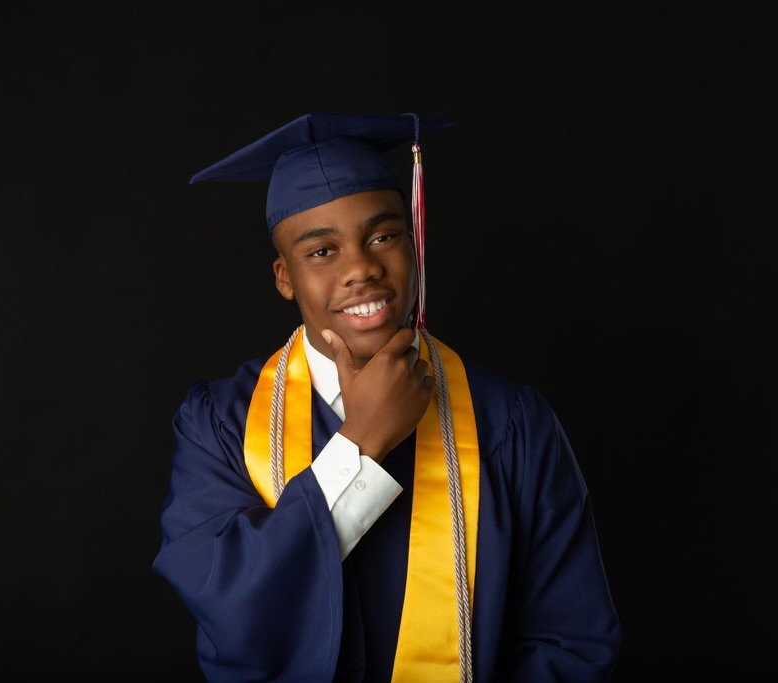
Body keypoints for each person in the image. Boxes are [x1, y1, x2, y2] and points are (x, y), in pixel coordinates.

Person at [152, 112, 621, 683]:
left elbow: (571, 639)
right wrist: (363, 440)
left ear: (414, 244)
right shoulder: (220, 425)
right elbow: (227, 606)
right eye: (321, 251)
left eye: (383, 236)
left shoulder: (511, 422)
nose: (361, 269)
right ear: (284, 277)